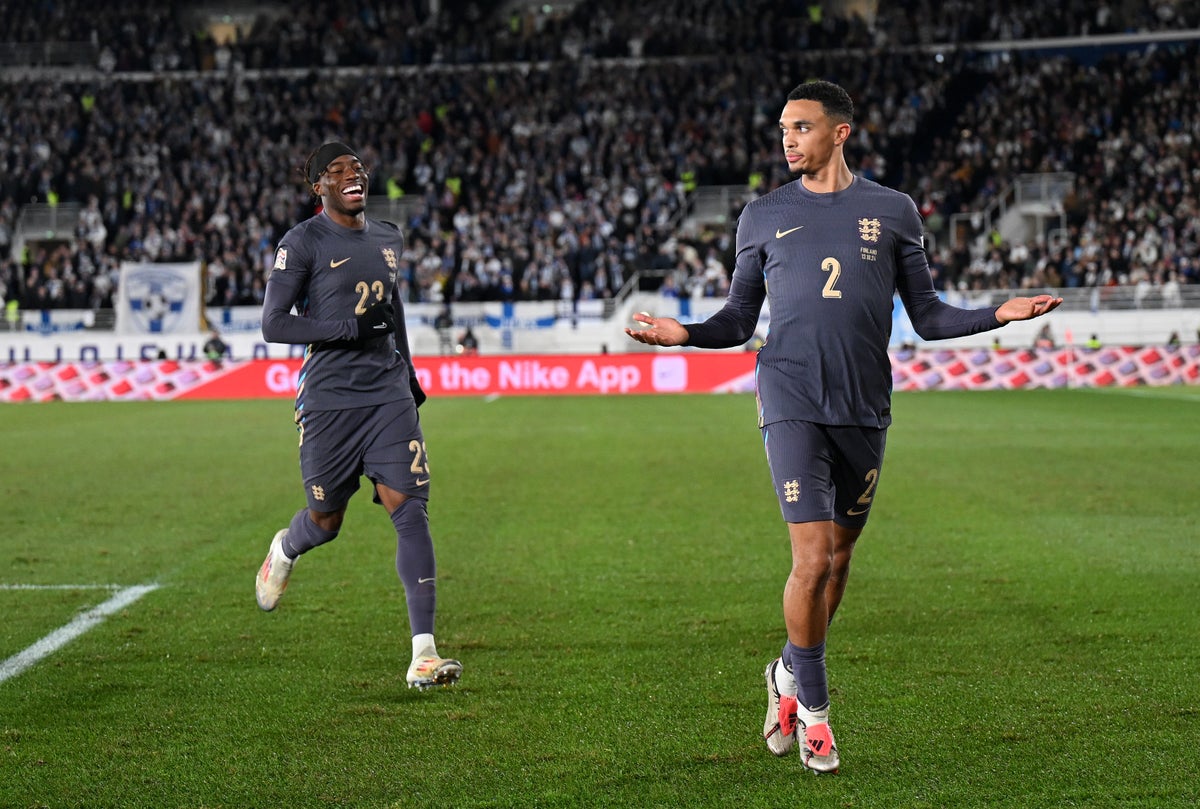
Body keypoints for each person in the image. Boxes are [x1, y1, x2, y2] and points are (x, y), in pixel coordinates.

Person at [624, 80, 1061, 774]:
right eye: (783, 128)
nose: (787, 139)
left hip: (864, 404)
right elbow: (740, 319)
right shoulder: (761, 216)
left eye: (800, 127)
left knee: (841, 561)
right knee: (811, 559)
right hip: (790, 396)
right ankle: (819, 719)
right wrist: (687, 332)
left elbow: (929, 316)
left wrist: (995, 315)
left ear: (840, 132)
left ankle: (787, 675)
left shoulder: (892, 211)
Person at [256, 141, 461, 690]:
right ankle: (284, 548)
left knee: (409, 508)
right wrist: (341, 329)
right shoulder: (301, 242)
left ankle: (424, 653)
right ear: (317, 186)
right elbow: (274, 324)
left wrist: (411, 375)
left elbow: (392, 311)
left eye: (359, 169)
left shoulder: (389, 236)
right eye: (338, 171)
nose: (354, 176)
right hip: (328, 401)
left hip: (387, 393)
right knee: (326, 522)